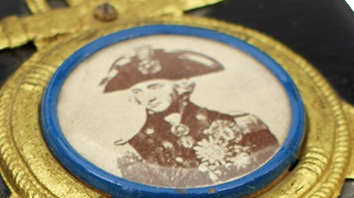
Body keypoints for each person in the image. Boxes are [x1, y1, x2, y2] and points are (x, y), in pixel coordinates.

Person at [101, 46, 279, 189]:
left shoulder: (242, 122)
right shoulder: (135, 148)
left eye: (155, 87)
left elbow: (271, 170)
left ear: (180, 85)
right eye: (138, 91)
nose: (148, 98)